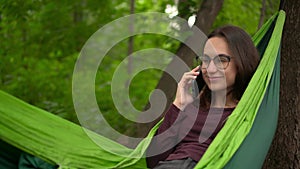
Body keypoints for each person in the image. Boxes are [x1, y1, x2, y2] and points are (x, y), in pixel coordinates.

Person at [146, 25, 260, 169]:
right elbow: (153, 160)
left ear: (242, 61)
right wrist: (178, 104)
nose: (210, 69)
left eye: (221, 60)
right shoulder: (191, 107)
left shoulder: (246, 115)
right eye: (206, 60)